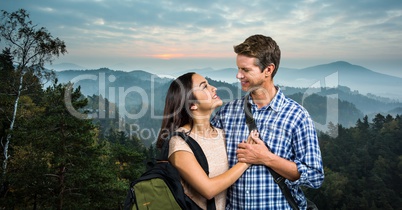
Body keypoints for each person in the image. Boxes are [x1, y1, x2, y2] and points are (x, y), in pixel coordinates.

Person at [210, 34, 325, 209]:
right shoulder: (227, 113)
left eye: (246, 70)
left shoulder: (296, 115)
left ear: (268, 70)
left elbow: (315, 176)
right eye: (238, 68)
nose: (238, 75)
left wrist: (266, 158)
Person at [155, 72, 256, 210]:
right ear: (192, 105)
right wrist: (245, 162)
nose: (214, 88)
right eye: (204, 87)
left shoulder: (222, 134)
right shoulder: (179, 143)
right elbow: (208, 190)